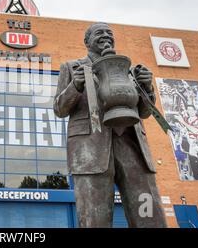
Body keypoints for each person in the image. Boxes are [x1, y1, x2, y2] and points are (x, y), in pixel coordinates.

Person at [54, 22, 167, 228]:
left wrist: (148, 88)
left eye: (109, 33)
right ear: (87, 41)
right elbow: (59, 109)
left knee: (149, 215)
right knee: (95, 219)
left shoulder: (130, 70)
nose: (106, 36)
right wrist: (75, 86)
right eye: (100, 33)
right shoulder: (72, 68)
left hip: (133, 149)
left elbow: (143, 112)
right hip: (91, 151)